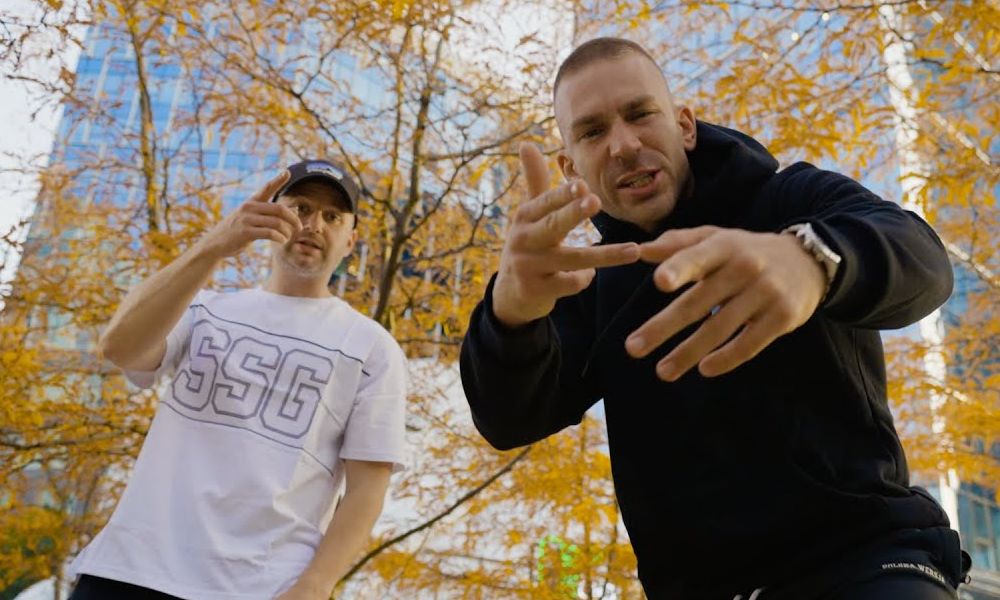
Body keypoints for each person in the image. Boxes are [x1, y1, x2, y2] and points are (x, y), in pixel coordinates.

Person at [460, 37, 970, 599]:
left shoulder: (790, 200)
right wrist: (511, 312)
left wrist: (813, 259)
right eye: (592, 132)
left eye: (640, 114)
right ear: (569, 167)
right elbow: (507, 419)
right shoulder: (588, 288)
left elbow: (923, 261)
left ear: (684, 126)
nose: (623, 146)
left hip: (864, 561)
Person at [67, 160, 409, 599]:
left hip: (258, 585)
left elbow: (367, 487)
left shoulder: (371, 348)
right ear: (271, 215)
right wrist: (214, 245)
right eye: (301, 208)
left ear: (350, 241)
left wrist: (315, 585)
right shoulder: (202, 308)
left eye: (332, 216)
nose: (313, 225)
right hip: (132, 568)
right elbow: (120, 347)